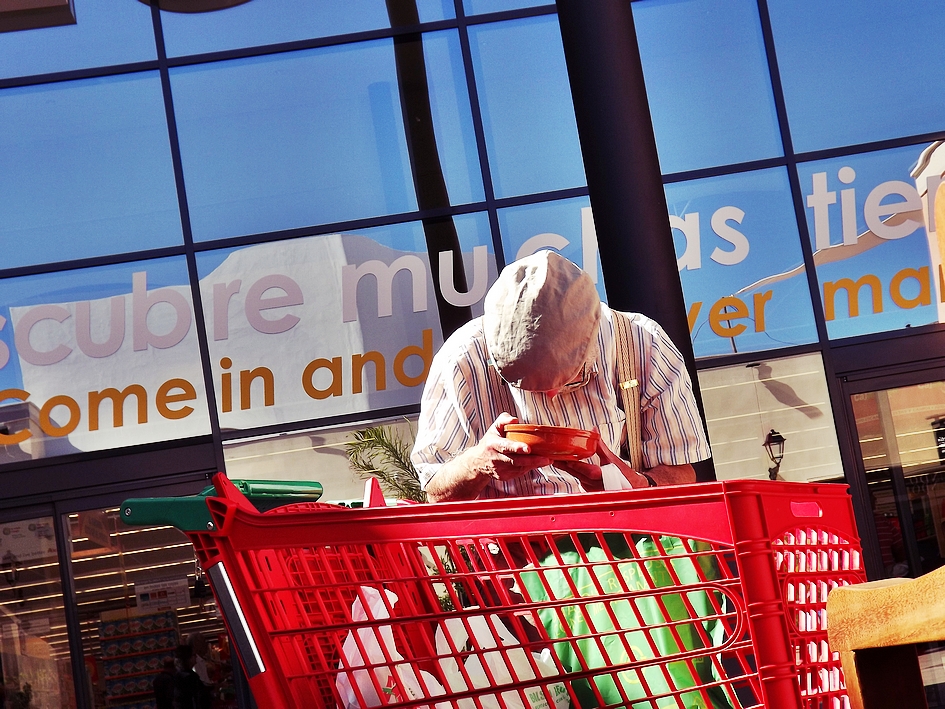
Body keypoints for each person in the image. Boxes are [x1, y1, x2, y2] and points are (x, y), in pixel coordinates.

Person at [411, 249, 710, 501]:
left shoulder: (643, 344)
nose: (550, 395)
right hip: (515, 560)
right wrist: (476, 464)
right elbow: (435, 492)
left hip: (623, 554)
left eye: (573, 376)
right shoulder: (461, 360)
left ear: (594, 336)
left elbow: (682, 473)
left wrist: (636, 486)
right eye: (524, 382)